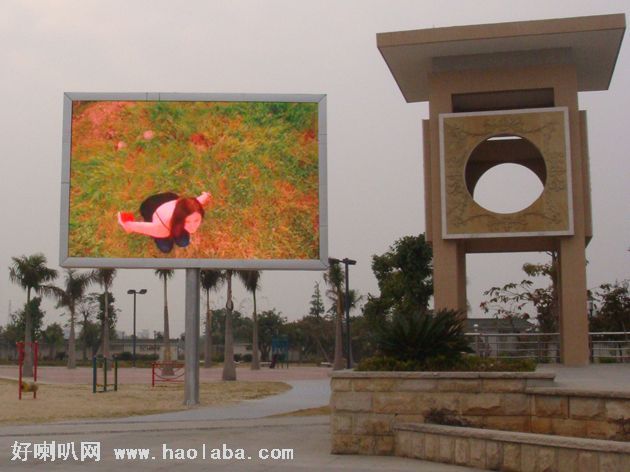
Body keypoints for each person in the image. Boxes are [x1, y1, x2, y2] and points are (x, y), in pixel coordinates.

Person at [117, 191, 212, 253]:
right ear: (179, 218)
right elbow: (132, 226)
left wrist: (206, 195)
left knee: (183, 242)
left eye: (196, 220)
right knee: (166, 248)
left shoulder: (192, 209)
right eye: (187, 222)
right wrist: (127, 224)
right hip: (150, 207)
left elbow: (198, 201)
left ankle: (179, 228)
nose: (193, 227)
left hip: (170, 199)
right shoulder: (161, 227)